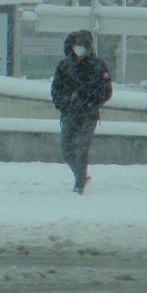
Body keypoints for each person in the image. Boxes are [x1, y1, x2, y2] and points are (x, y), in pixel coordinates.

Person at [49, 30, 113, 194]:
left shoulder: (98, 66)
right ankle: (81, 175)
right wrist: (65, 103)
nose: (80, 49)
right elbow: (56, 90)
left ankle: (79, 183)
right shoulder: (64, 66)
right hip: (70, 114)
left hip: (89, 115)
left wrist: (89, 101)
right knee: (67, 149)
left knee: (82, 148)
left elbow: (106, 91)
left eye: (84, 46)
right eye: (78, 46)